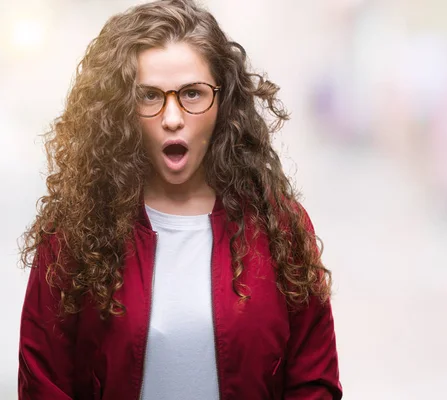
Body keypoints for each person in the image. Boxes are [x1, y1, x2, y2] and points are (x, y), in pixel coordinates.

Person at [17, 1, 342, 399]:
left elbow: (314, 384)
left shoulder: (281, 228)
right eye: (150, 96)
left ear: (223, 103)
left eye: (192, 93)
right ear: (120, 109)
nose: (172, 117)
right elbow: (43, 384)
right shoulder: (75, 233)